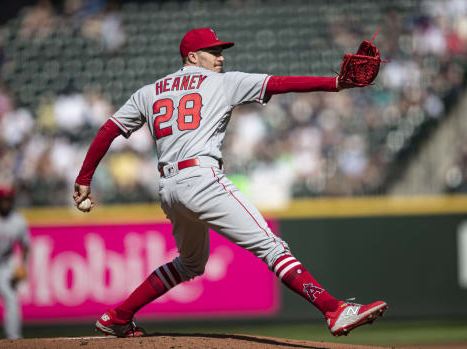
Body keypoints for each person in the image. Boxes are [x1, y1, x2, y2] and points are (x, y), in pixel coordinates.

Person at [73, 27, 387, 337]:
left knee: (190, 264)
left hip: (169, 189)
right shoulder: (223, 83)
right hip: (201, 179)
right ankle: (333, 310)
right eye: (213, 51)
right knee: (273, 248)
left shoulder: (149, 91)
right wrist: (335, 83)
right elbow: (280, 83)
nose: (220, 57)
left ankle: (118, 315)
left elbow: (108, 130)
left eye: (221, 51)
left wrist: (85, 178)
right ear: (193, 56)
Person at [0, 185, 30, 339]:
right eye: (3, 200)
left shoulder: (17, 220)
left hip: (2, 267)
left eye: (8, 199)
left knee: (12, 299)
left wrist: (22, 266)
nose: (6, 203)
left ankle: (14, 339)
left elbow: (25, 245)